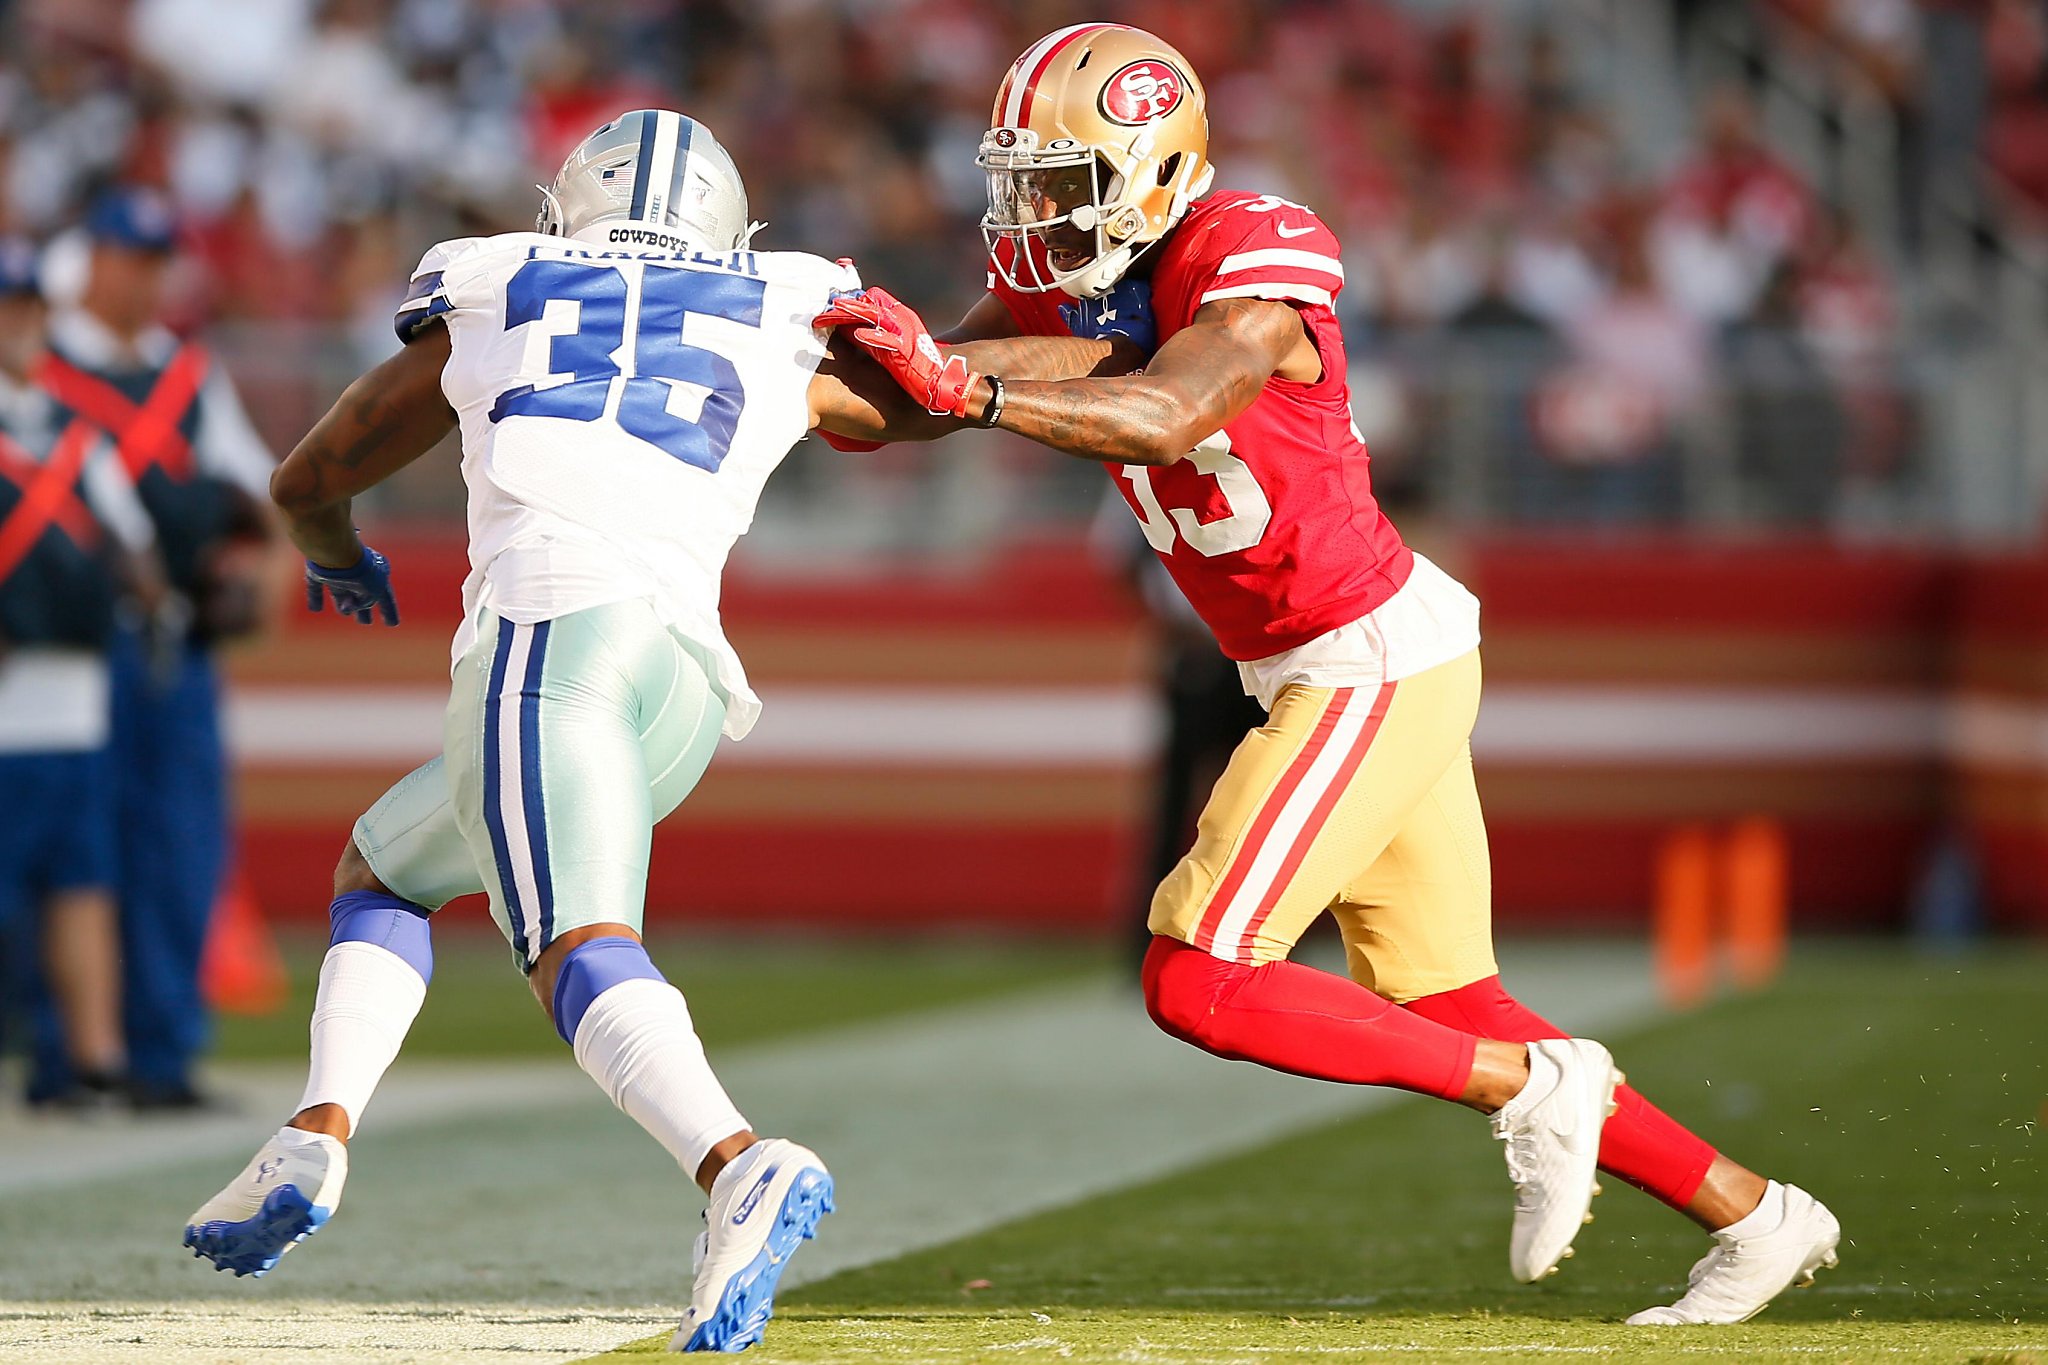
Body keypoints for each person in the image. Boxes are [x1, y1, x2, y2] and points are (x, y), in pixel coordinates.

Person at [820, 23, 1841, 1326]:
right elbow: (898, 401)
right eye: (1019, 180)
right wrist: (770, 362)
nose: (1031, 214)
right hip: (1321, 663)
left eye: (1061, 185)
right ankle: (1756, 1214)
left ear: (1155, 171)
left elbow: (1164, 408)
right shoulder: (1072, 290)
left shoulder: (1245, 255)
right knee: (1448, 995)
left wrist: (960, 389)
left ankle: (1534, 1089)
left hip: (1364, 658)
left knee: (1200, 975)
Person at [181, 109, 944, 1353]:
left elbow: (307, 478)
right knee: (385, 865)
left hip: (551, 650)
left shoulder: (499, 279)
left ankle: (738, 1165)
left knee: (573, 946)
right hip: (683, 688)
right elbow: (925, 408)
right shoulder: (780, 301)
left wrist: (335, 554)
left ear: (564, 214)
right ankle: (312, 1135)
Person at [38, 187, 281, 1109]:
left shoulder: (187, 374)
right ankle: (73, 1052)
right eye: (125, 257)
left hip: (174, 640)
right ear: (91, 259)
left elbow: (259, 482)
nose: (140, 278)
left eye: (153, 261)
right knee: (82, 851)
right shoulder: (45, 368)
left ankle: (164, 1051)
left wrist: (260, 560)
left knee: (180, 843)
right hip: (77, 642)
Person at [0, 237, 160, 1110]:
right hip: (10, 696)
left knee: (81, 883)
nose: (20, 321)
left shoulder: (76, 431)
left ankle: (92, 1056)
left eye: (28, 305)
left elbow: (130, 535)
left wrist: (139, 591)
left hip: (75, 696)